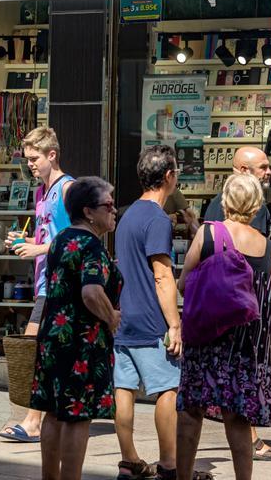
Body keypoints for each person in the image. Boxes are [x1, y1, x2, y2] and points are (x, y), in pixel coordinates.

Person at [175, 174, 271, 480]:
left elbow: (185, 283)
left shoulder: (209, 233)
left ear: (224, 201)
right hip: (246, 345)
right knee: (237, 416)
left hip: (206, 339)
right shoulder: (266, 245)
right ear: (256, 206)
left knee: (191, 410)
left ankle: (182, 475)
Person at [29, 176, 121, 480]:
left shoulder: (60, 240)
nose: (114, 210)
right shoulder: (92, 245)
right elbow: (91, 293)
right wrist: (111, 317)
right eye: (108, 205)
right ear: (88, 211)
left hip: (53, 337)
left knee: (54, 411)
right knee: (77, 416)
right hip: (82, 340)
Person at [114, 145, 195, 480]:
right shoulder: (157, 219)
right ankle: (169, 463)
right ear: (169, 177)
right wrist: (175, 324)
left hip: (125, 315)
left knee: (125, 388)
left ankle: (129, 460)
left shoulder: (129, 214)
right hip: (150, 317)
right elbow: (162, 274)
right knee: (168, 387)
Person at [201, 146, 271, 461]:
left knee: (226, 371)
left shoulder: (214, 206)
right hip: (247, 303)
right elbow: (262, 254)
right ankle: (249, 438)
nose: (268, 172)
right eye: (262, 167)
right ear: (244, 170)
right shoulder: (254, 207)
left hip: (219, 303)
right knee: (245, 372)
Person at [0, 127, 75, 444]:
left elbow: (75, 238)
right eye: (27, 158)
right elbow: (48, 235)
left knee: (33, 348)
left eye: (34, 158)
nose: (29, 164)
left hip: (58, 283)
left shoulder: (68, 188)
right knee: (48, 352)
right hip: (45, 280)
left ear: (51, 155)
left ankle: (32, 421)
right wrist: (25, 241)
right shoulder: (41, 192)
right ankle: (50, 416)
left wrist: (38, 249)